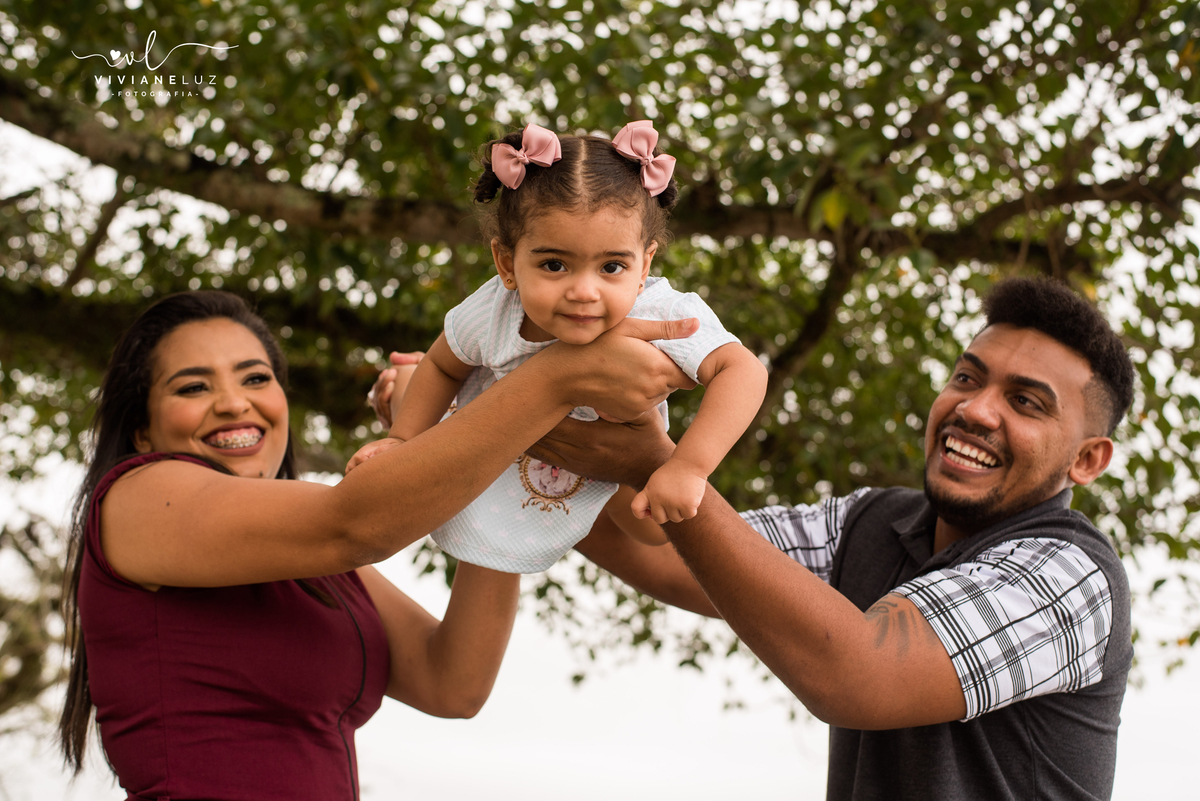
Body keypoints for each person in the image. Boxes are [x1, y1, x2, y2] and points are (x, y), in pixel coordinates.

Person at [57, 289, 696, 799]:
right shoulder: (136, 497)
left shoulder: (316, 566)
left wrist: (463, 424)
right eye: (193, 387)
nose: (234, 404)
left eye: (255, 379)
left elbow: (454, 682)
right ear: (142, 431)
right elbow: (357, 523)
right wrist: (548, 378)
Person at [534, 276, 1137, 800]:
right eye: (965, 377)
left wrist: (658, 464)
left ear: (1087, 459)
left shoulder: (1075, 575)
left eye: (1025, 402)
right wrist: (519, 421)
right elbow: (668, 555)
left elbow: (860, 674)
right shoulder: (874, 522)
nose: (976, 410)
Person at [351, 121, 766, 573]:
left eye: (611, 266)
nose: (584, 291)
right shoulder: (495, 309)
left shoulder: (659, 309)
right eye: (554, 264)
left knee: (651, 524)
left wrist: (688, 466)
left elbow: (742, 370)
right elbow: (442, 364)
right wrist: (402, 439)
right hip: (497, 456)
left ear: (644, 264)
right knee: (412, 399)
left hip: (618, 458)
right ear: (506, 263)